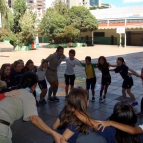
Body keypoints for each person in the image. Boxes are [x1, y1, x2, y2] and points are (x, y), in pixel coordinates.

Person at [0, 72, 65, 143]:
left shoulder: (13, 92)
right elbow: (34, 119)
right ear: (35, 85)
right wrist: (54, 133)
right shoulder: (28, 96)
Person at [73, 102, 143, 143]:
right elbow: (133, 131)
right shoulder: (139, 133)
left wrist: (74, 109)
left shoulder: (110, 131)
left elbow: (90, 122)